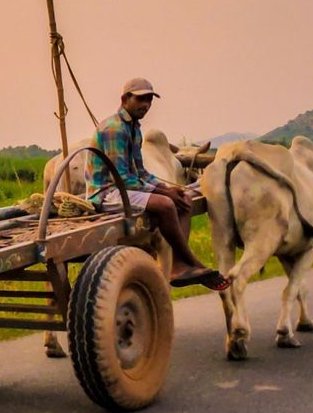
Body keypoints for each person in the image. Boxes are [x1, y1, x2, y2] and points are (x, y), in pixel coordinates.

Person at [90, 78, 229, 291]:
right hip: (107, 192)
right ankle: (189, 261)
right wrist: (161, 193)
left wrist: (168, 189)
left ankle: (179, 263)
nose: (146, 104)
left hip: (124, 189)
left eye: (149, 100)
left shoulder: (134, 128)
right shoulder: (114, 129)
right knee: (165, 204)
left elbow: (141, 172)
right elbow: (122, 177)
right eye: (140, 99)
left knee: (183, 197)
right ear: (125, 99)